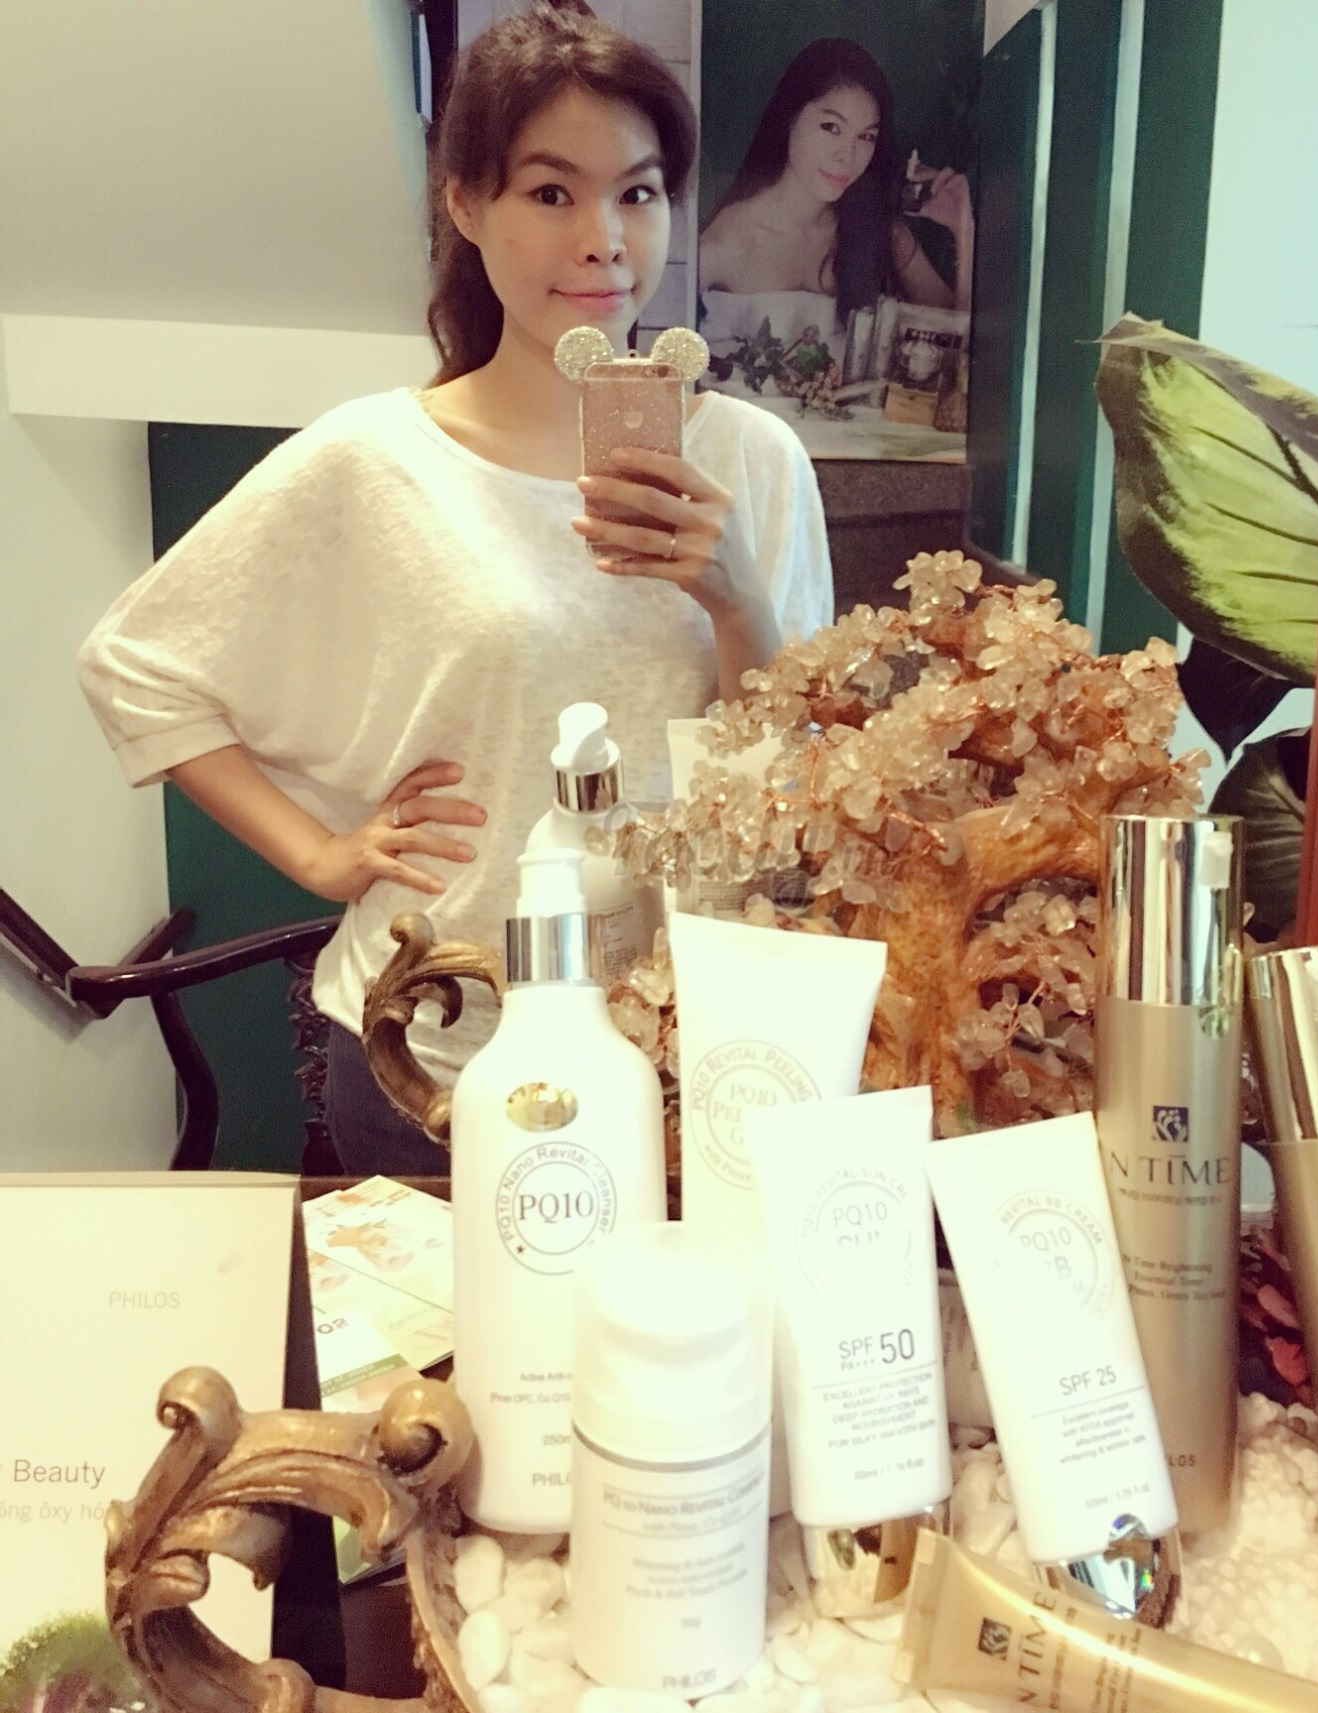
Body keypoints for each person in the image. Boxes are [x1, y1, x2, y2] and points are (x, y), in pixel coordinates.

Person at [77, 2, 834, 1177]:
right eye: (551, 192)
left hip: (696, 1053)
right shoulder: (377, 460)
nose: (603, 240)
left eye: (637, 193)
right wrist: (323, 858)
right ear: (467, 205)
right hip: (439, 1051)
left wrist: (737, 601)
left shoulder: (753, 459)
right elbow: (134, 666)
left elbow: (796, 781)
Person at [697, 35, 975, 362]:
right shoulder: (723, 242)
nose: (847, 155)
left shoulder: (880, 232)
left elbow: (961, 348)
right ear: (789, 118)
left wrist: (963, 231)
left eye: (866, 136)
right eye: (831, 127)